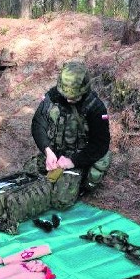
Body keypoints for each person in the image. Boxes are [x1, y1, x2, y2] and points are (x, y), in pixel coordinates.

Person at [26, 61, 111, 197]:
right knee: (28, 172)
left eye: (74, 97)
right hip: (57, 155)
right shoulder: (53, 96)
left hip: (81, 158)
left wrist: (72, 161)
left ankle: (82, 184)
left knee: (62, 198)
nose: (69, 99)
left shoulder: (95, 107)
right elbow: (38, 123)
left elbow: (100, 145)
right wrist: (48, 151)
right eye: (66, 96)